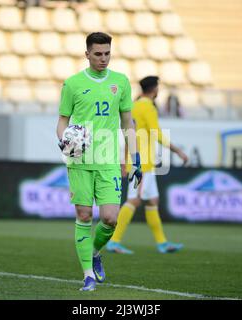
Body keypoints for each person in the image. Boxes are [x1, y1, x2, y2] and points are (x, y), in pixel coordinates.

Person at [56, 32, 142, 292]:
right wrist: (64, 141)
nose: (103, 58)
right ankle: (88, 277)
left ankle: (94, 253)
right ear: (87, 55)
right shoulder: (72, 84)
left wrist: (136, 159)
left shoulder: (121, 82)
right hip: (80, 161)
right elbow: (63, 121)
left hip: (108, 162)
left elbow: (128, 122)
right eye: (98, 54)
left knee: (110, 219)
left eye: (107, 54)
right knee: (83, 215)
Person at [106, 76, 189, 255]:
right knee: (134, 200)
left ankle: (162, 243)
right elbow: (157, 133)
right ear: (154, 89)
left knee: (152, 201)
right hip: (143, 163)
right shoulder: (148, 106)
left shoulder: (134, 106)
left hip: (140, 162)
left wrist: (125, 159)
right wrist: (178, 151)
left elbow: (129, 134)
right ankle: (113, 241)